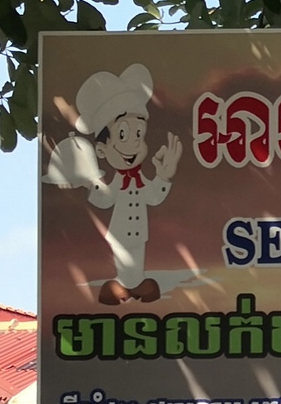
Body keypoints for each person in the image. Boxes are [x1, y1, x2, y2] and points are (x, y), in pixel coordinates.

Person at [44, 63, 183, 303]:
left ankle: (135, 283)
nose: (134, 144)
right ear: (101, 149)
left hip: (139, 229)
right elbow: (104, 200)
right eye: (122, 135)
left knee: (137, 254)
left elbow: (154, 197)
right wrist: (90, 180)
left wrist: (163, 175)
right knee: (122, 254)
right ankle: (123, 283)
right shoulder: (118, 180)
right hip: (119, 229)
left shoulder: (139, 178)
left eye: (139, 134)